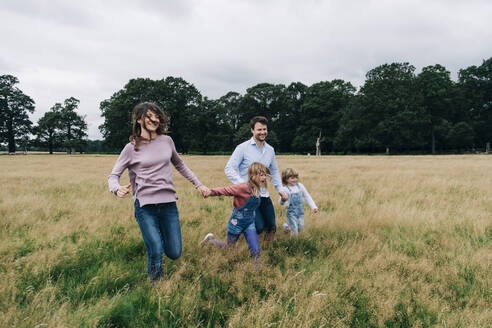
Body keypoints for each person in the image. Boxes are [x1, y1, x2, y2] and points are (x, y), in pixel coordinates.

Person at [108, 102, 210, 282]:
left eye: (157, 116)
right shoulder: (131, 148)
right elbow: (113, 175)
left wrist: (198, 184)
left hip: (168, 204)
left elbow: (180, 164)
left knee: (174, 252)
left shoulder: (167, 141)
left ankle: (156, 236)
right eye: (150, 116)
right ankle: (157, 286)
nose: (155, 120)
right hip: (145, 206)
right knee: (155, 249)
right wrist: (116, 189)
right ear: (139, 119)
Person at [225, 116, 288, 240]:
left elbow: (274, 171)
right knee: (259, 227)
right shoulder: (242, 148)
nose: (263, 132)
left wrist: (280, 189)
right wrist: (243, 185)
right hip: (249, 197)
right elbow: (229, 168)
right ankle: (241, 230)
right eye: (259, 129)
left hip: (264, 194)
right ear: (252, 130)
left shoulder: (270, 150)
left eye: (265, 129)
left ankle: (267, 250)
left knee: (271, 227)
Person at [200, 162, 269, 264]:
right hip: (236, 223)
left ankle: (257, 272)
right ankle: (209, 242)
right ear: (252, 176)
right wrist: (210, 192)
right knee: (229, 248)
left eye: (264, 175)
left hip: (249, 223)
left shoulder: (259, 189)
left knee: (255, 250)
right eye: (261, 174)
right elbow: (226, 190)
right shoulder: (243, 187)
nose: (264, 177)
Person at [279, 168, 318, 236]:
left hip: (300, 212)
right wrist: (283, 199)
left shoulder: (300, 186)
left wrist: (313, 207)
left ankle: (287, 228)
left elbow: (307, 196)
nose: (295, 179)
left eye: (296, 177)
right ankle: (294, 244)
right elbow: (280, 202)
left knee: (301, 228)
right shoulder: (285, 189)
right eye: (292, 178)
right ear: (286, 179)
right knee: (294, 230)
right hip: (291, 213)